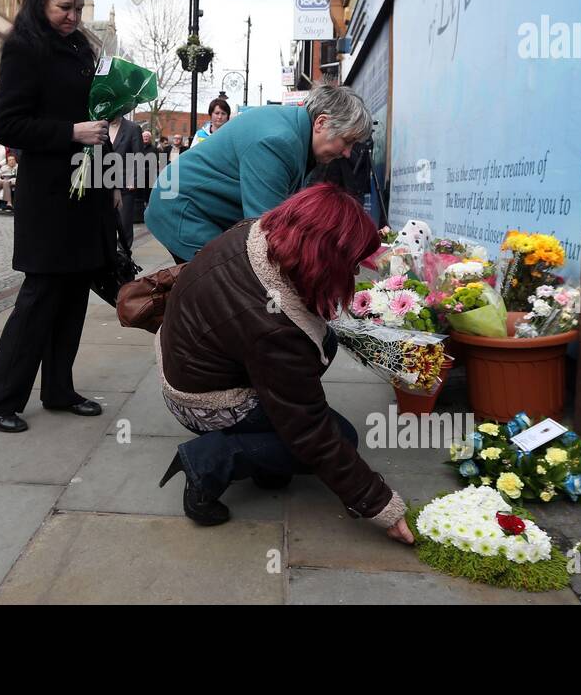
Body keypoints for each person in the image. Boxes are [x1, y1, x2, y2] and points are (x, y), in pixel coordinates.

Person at [156, 183, 412, 544]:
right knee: (341, 436)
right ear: (324, 257)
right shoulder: (273, 327)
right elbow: (309, 430)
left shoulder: (255, 232)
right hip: (201, 400)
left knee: (324, 342)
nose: (355, 273)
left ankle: (267, 461)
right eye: (351, 264)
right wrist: (380, 503)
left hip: (186, 360)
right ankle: (210, 461)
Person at [0, 0, 115, 433]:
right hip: (48, 194)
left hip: (83, 188)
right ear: (41, 1)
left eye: (77, 7)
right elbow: (7, 125)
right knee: (40, 297)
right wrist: (71, 131)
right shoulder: (22, 49)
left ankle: (58, 387)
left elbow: (91, 111)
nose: (73, 16)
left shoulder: (78, 48)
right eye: (63, 7)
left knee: (74, 295)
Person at [146, 84, 371, 264]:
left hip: (190, 204)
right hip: (181, 209)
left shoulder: (293, 133)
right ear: (321, 123)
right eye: (347, 141)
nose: (348, 153)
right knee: (225, 282)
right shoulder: (278, 141)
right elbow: (266, 233)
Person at [108, 113, 144, 256]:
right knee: (106, 221)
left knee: (124, 222)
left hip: (125, 182)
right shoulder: (101, 126)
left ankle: (124, 254)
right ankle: (109, 253)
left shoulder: (132, 128)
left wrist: (134, 179)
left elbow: (138, 156)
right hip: (102, 181)